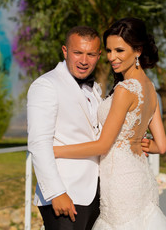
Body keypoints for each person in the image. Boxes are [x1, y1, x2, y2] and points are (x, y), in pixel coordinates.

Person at [54, 18, 166, 229]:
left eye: (119, 50)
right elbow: (163, 146)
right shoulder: (149, 87)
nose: (112, 57)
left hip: (120, 180)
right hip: (140, 175)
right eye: (109, 50)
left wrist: (54, 150)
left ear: (137, 50)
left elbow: (103, 145)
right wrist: (139, 143)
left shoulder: (125, 90)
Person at [27, 26, 103, 229]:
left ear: (99, 55)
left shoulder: (95, 89)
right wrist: (56, 192)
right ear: (65, 51)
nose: (84, 61)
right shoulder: (46, 86)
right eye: (78, 52)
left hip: (95, 193)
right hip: (65, 193)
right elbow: (38, 143)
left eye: (91, 54)